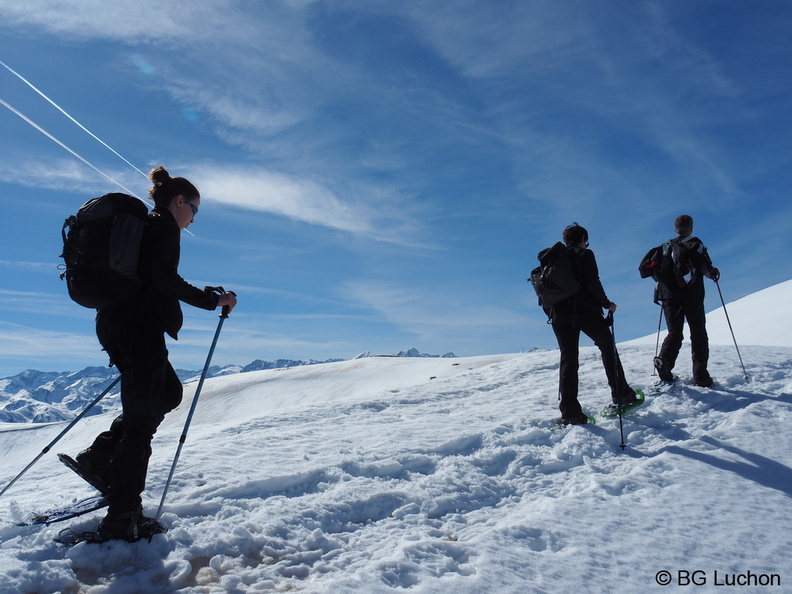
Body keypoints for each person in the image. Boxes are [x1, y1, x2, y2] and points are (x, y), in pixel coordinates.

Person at [70, 166, 237, 541]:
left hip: (120, 324)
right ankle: (123, 517)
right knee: (141, 424)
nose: (193, 217)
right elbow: (165, 280)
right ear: (179, 200)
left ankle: (99, 460)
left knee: (168, 394)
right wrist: (213, 300)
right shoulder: (163, 224)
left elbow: (152, 278)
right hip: (137, 329)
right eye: (194, 209)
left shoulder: (149, 225)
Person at [546, 223, 638, 425]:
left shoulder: (555, 260)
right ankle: (623, 395)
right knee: (607, 348)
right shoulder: (584, 255)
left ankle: (570, 413)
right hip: (584, 311)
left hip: (559, 315)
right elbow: (592, 282)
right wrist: (607, 304)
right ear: (582, 239)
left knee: (568, 360)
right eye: (585, 240)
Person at [653, 214, 719, 387]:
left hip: (668, 295)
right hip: (692, 294)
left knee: (675, 333)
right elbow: (705, 267)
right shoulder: (695, 243)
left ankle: (664, 362)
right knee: (698, 333)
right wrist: (713, 274)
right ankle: (701, 376)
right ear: (691, 228)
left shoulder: (665, 246)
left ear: (675, 229)